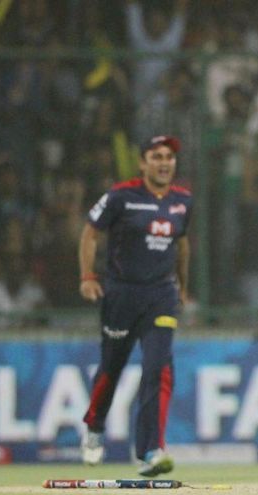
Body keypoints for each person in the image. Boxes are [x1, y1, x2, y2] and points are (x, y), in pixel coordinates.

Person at [78, 135, 191, 477]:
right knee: (112, 367)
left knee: (158, 368)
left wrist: (183, 286)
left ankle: (150, 452)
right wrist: (87, 276)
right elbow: (89, 234)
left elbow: (182, 246)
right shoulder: (121, 196)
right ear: (142, 163)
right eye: (156, 156)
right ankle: (95, 426)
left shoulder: (183, 201)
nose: (164, 162)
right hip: (121, 295)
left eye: (169, 157)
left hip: (161, 295)